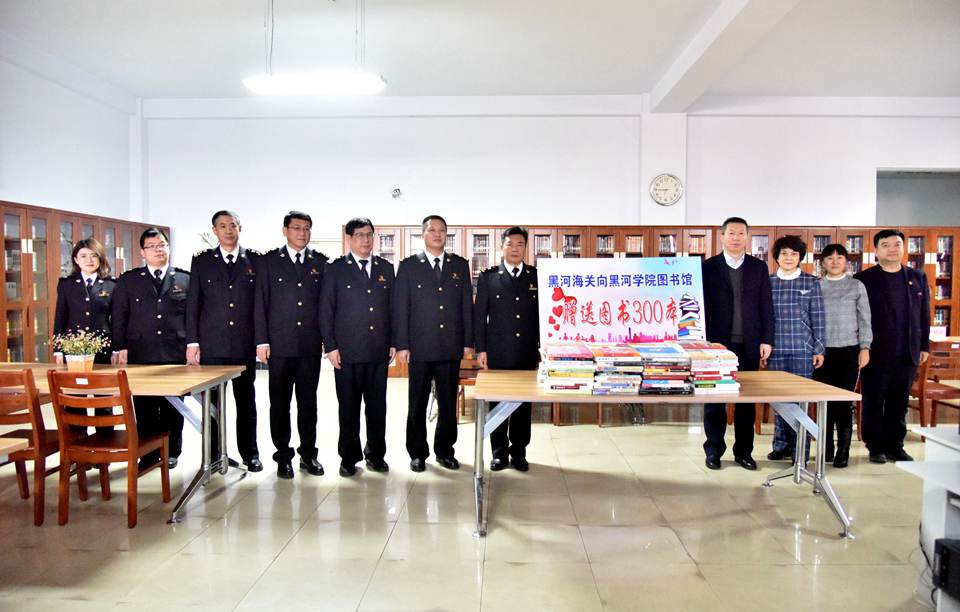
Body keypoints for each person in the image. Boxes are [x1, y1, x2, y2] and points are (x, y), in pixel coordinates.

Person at [394, 215, 473, 472]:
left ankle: (445, 451)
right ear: (423, 235)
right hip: (419, 347)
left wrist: (468, 341)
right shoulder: (409, 266)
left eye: (442, 230)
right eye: (432, 230)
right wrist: (402, 344)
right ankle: (417, 453)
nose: (437, 234)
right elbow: (401, 308)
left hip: (450, 346)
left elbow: (466, 306)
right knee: (417, 402)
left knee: (448, 403)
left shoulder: (459, 265)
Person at [185, 210, 262, 472]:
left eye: (232, 225)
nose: (228, 230)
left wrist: (260, 340)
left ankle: (250, 453)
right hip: (213, 344)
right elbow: (194, 304)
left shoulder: (254, 260)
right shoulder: (202, 261)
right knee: (213, 404)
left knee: (246, 401)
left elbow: (260, 304)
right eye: (222, 226)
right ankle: (215, 453)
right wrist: (192, 342)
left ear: (240, 228)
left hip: (243, 343)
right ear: (215, 231)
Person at [255, 211, 327, 479]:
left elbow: (326, 306)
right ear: (285, 230)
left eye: (307, 228)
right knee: (279, 404)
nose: (302, 233)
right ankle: (283, 456)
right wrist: (261, 340)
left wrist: (326, 340)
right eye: (297, 228)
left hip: (309, 345)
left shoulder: (320, 262)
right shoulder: (269, 262)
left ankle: (308, 454)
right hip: (279, 345)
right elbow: (260, 303)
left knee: (308, 404)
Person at [320, 218, 395, 477]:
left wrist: (393, 341)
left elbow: (393, 308)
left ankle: (376, 455)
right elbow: (326, 310)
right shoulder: (336, 269)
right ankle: (349, 457)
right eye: (360, 235)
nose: (365, 240)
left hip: (378, 350)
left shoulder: (385, 268)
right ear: (349, 238)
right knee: (349, 408)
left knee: (377, 408)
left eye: (369, 235)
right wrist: (330, 346)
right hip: (347, 352)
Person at [112, 227, 190, 469]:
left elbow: (193, 317)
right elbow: (119, 316)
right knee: (144, 406)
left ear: (168, 247)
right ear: (142, 252)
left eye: (162, 245)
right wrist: (119, 347)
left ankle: (172, 451)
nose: (158, 250)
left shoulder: (185, 279)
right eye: (152, 246)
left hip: (174, 352)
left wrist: (193, 346)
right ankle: (147, 453)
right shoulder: (129, 280)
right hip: (140, 352)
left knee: (173, 406)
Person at [701, 217, 774, 471]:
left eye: (741, 233)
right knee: (714, 400)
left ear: (747, 237)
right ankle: (713, 451)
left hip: (750, 344)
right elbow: (701, 306)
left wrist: (767, 339)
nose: (735, 238)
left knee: (746, 401)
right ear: (722, 237)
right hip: (717, 345)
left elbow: (766, 306)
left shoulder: (758, 267)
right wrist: (702, 341)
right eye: (731, 233)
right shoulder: (709, 267)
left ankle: (744, 452)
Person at [855, 229, 930, 463]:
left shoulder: (917, 276)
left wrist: (924, 346)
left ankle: (895, 446)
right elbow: (858, 317)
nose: (892, 249)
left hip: (907, 351)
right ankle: (875, 447)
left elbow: (924, 314)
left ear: (903, 248)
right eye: (885, 245)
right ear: (876, 251)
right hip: (875, 351)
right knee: (874, 400)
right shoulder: (864, 279)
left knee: (899, 401)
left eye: (897, 244)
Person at [474, 226, 540, 472]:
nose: (515, 249)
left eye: (520, 244)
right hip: (498, 352)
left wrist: (543, 349)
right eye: (510, 244)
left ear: (525, 248)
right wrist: (481, 349)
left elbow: (542, 316)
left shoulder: (535, 277)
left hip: (526, 351)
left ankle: (519, 452)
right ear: (501, 247)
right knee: (497, 402)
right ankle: (499, 453)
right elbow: (479, 317)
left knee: (523, 405)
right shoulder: (489, 277)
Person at [766, 235, 826, 463]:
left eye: (794, 254)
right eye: (784, 254)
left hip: (803, 349)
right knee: (779, 399)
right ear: (777, 257)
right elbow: (763, 317)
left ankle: (801, 450)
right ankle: (780, 445)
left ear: (800, 257)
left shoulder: (811, 282)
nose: (789, 258)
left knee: (801, 401)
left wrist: (819, 349)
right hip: (775, 349)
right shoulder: (768, 282)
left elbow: (818, 317)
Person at [813, 243, 872, 468]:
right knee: (824, 402)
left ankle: (843, 451)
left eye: (840, 257)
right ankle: (825, 448)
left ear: (847, 262)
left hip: (849, 351)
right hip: (822, 352)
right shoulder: (816, 286)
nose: (835, 261)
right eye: (830, 258)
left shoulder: (856, 286)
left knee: (843, 402)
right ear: (823, 263)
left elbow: (865, 319)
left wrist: (865, 347)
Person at [54, 237, 116, 366]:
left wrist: (117, 348)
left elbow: (117, 320)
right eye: (83, 256)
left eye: (94, 255)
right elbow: (60, 318)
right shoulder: (66, 284)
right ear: (76, 260)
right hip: (73, 346)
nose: (89, 260)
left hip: (103, 345)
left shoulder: (112, 285)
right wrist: (58, 350)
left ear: (100, 258)